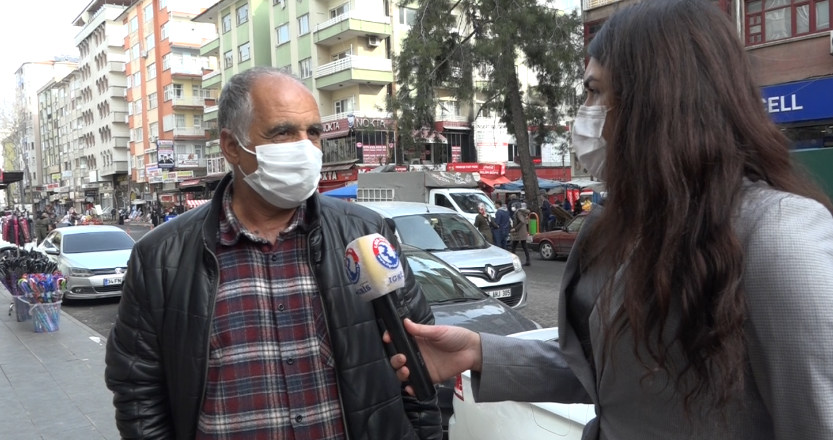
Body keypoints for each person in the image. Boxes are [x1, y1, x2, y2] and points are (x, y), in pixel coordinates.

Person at [385, 1, 833, 439]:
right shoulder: (633, 223)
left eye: (595, 91)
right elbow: (615, 379)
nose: (582, 114)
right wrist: (479, 352)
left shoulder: (779, 237)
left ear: (659, 100)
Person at [105, 67, 442, 440]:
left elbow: (420, 355)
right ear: (232, 146)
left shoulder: (365, 233)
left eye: (313, 132)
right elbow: (138, 391)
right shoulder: (160, 258)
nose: (305, 147)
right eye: (283, 132)